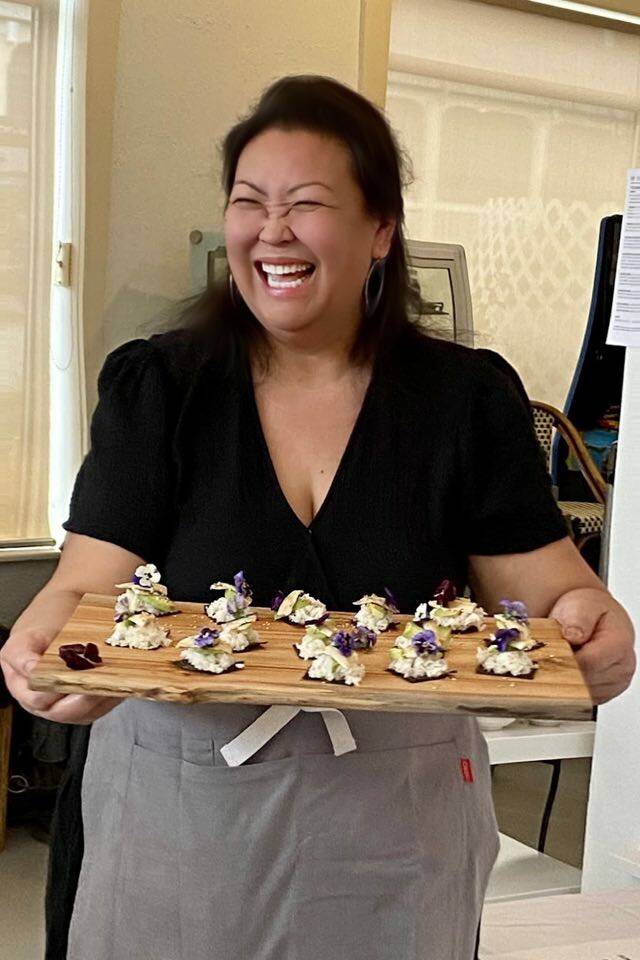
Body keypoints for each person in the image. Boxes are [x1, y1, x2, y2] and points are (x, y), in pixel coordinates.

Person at [1, 75, 634, 960]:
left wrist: (591, 628)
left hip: (394, 821)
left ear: (381, 230)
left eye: (306, 204)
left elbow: (548, 587)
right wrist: (40, 654)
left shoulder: (465, 403)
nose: (273, 230)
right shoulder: (162, 388)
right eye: (249, 203)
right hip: (181, 820)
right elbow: (84, 587)